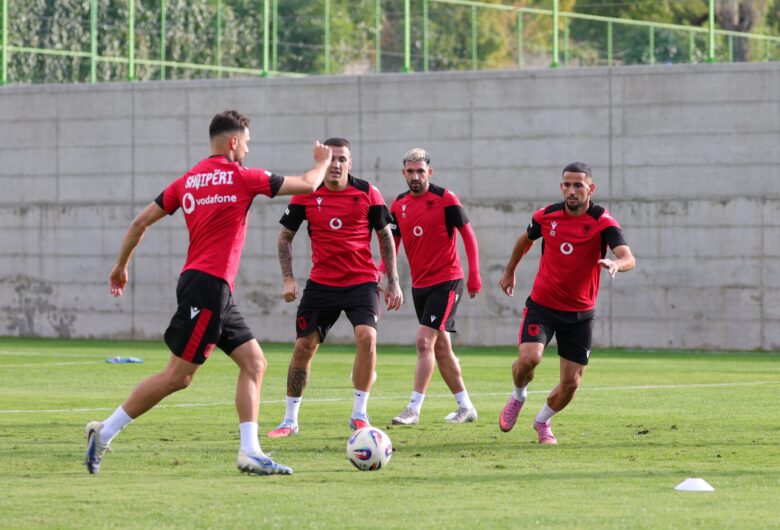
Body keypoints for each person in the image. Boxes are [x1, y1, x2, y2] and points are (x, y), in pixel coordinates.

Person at [85, 110, 333, 476]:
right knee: (178, 376)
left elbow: (140, 223)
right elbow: (309, 184)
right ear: (233, 141)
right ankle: (105, 431)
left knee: (255, 363)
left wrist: (120, 266)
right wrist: (324, 161)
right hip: (208, 287)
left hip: (209, 287)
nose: (247, 150)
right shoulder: (242, 177)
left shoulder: (187, 180)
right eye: (246, 143)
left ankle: (250, 451)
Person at [267, 137, 403, 438]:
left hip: (361, 283)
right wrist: (288, 278)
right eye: (331, 158)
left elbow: (385, 236)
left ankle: (359, 414)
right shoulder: (306, 193)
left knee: (367, 337)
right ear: (322, 161)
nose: (337, 164)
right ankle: (289, 420)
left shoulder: (368, 192)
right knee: (304, 347)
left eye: (342, 159)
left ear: (350, 163)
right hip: (321, 285)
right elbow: (285, 236)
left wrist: (393, 281)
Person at [498, 162, 635, 444]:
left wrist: (616, 264)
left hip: (580, 315)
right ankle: (518, 396)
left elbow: (628, 257)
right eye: (567, 185)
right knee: (529, 359)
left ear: (591, 188)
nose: (571, 191)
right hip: (542, 306)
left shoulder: (603, 222)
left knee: (571, 383)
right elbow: (526, 239)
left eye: (578, 185)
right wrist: (510, 271)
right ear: (561, 187)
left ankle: (542, 421)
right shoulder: (546, 216)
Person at [386, 148, 482, 426]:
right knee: (441, 348)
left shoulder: (445, 199)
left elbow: (468, 236)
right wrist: (384, 272)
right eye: (410, 171)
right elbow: (392, 242)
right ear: (404, 173)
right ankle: (466, 406)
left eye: (420, 171)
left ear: (429, 171)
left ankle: (413, 408)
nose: (415, 176)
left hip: (447, 281)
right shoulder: (398, 204)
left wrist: (474, 275)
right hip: (420, 285)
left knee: (423, 341)